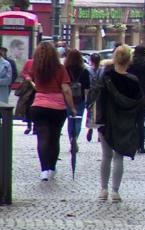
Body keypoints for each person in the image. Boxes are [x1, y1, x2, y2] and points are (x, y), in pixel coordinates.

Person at [95, 45, 144, 202]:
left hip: (107, 122)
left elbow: (99, 101)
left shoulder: (106, 77)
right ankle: (115, 191)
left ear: (115, 58)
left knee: (106, 156)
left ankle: (103, 190)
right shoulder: (134, 81)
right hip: (126, 122)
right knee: (119, 157)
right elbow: (139, 104)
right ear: (129, 60)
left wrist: (98, 122)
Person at [30, 42, 77, 181]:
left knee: (42, 138)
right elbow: (66, 90)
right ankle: (52, 167)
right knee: (54, 138)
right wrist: (72, 107)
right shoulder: (60, 69)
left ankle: (44, 170)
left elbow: (31, 81)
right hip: (57, 108)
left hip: (38, 106)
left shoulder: (36, 67)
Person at [64, 49, 91, 153]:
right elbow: (87, 87)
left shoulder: (65, 69)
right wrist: (87, 100)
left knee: (70, 120)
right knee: (78, 119)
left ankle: (71, 138)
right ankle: (75, 138)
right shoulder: (84, 71)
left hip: (67, 98)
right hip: (80, 99)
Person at [86, 53, 102, 142]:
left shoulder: (88, 70)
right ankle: (99, 133)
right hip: (100, 93)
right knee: (99, 112)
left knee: (91, 111)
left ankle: (90, 128)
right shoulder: (103, 70)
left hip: (91, 93)